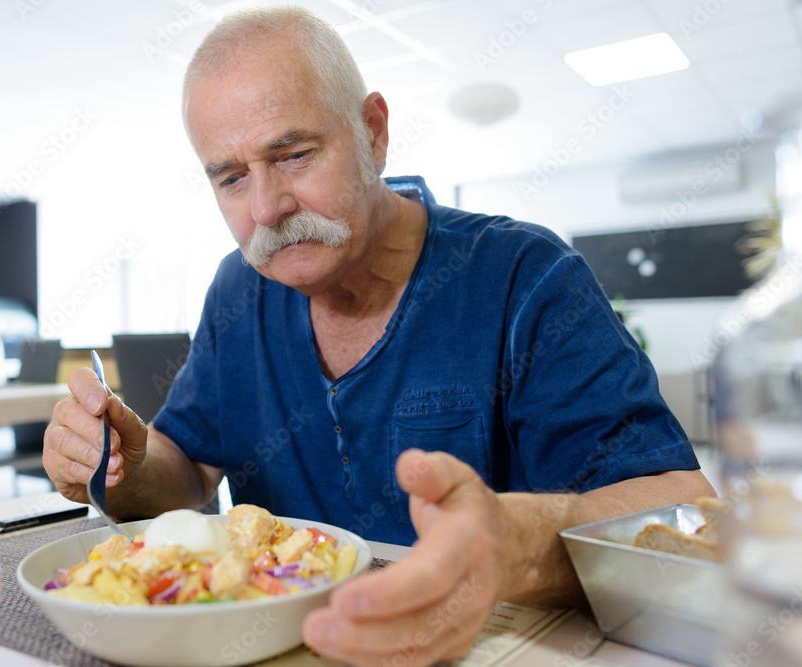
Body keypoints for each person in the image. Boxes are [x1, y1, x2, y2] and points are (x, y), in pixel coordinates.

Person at [43, 7, 715, 666]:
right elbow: (185, 474)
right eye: (233, 177)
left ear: (373, 132)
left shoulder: (523, 277)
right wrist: (123, 463)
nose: (266, 207)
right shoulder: (237, 292)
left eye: (295, 154)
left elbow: (685, 504)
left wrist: (518, 542)